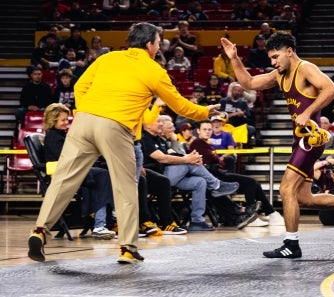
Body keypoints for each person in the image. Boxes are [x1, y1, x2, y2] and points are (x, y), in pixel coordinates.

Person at [27, 22, 218, 264]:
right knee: (126, 187)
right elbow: (180, 105)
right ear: (149, 45)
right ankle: (128, 248)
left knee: (63, 180)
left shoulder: (107, 58)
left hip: (83, 122)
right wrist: (204, 112)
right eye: (158, 42)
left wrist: (91, 113)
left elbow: (79, 86)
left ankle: (39, 231)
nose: (159, 46)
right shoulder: (154, 70)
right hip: (116, 127)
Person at [220, 32, 334, 258]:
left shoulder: (305, 68)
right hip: (299, 139)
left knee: (286, 189)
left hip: (309, 140)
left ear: (289, 52)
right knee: (304, 198)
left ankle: (292, 244)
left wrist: (308, 111)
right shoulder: (279, 74)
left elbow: (330, 89)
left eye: (275, 56)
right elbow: (249, 82)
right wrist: (234, 58)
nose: (273, 62)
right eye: (270, 58)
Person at [141, 116, 240, 231]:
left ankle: (197, 221)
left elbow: (173, 154)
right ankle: (217, 185)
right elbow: (162, 158)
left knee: (200, 182)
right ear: (147, 124)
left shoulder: (159, 139)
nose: (161, 124)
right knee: (189, 163)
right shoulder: (145, 138)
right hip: (156, 178)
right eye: (158, 121)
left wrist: (191, 157)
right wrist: (188, 159)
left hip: (170, 176)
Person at [189, 120, 285, 227]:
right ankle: (259, 215)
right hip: (214, 177)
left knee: (254, 183)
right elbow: (207, 164)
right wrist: (219, 161)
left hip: (218, 174)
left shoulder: (205, 144)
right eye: (204, 129)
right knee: (251, 182)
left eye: (209, 129)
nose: (207, 132)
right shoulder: (197, 143)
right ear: (198, 131)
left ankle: (267, 213)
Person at [43, 103, 115, 239]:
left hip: (75, 170)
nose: (66, 123)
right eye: (63, 120)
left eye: (67, 120)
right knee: (103, 176)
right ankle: (99, 223)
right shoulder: (53, 137)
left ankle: (99, 220)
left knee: (103, 174)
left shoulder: (61, 135)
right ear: (53, 121)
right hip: (65, 174)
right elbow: (67, 157)